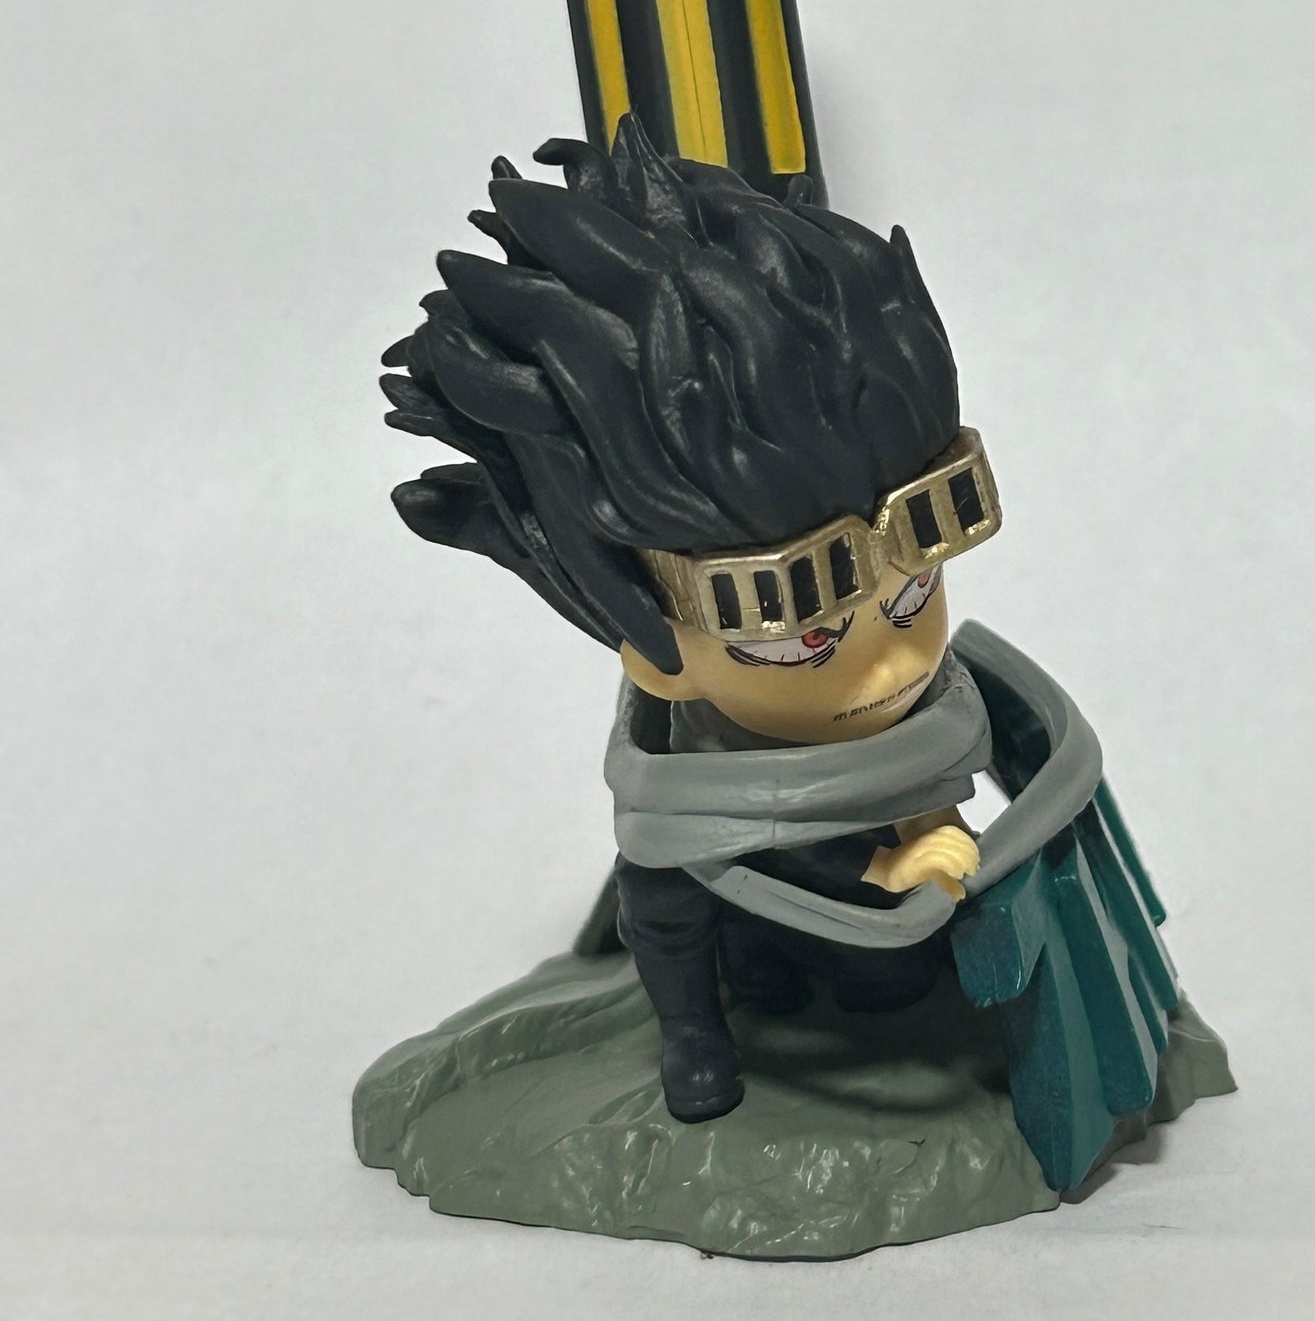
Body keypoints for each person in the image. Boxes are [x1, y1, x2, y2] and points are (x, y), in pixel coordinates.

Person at [383, 115, 1005, 1120]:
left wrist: (923, 837)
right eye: (805, 633)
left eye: (913, 592)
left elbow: (925, 788)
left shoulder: (927, 716)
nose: (891, 665)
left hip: (863, 899)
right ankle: (695, 1033)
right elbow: (774, 836)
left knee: (884, 977)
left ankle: (862, 987)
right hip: (723, 869)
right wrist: (884, 860)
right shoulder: (682, 778)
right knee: (670, 901)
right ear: (657, 650)